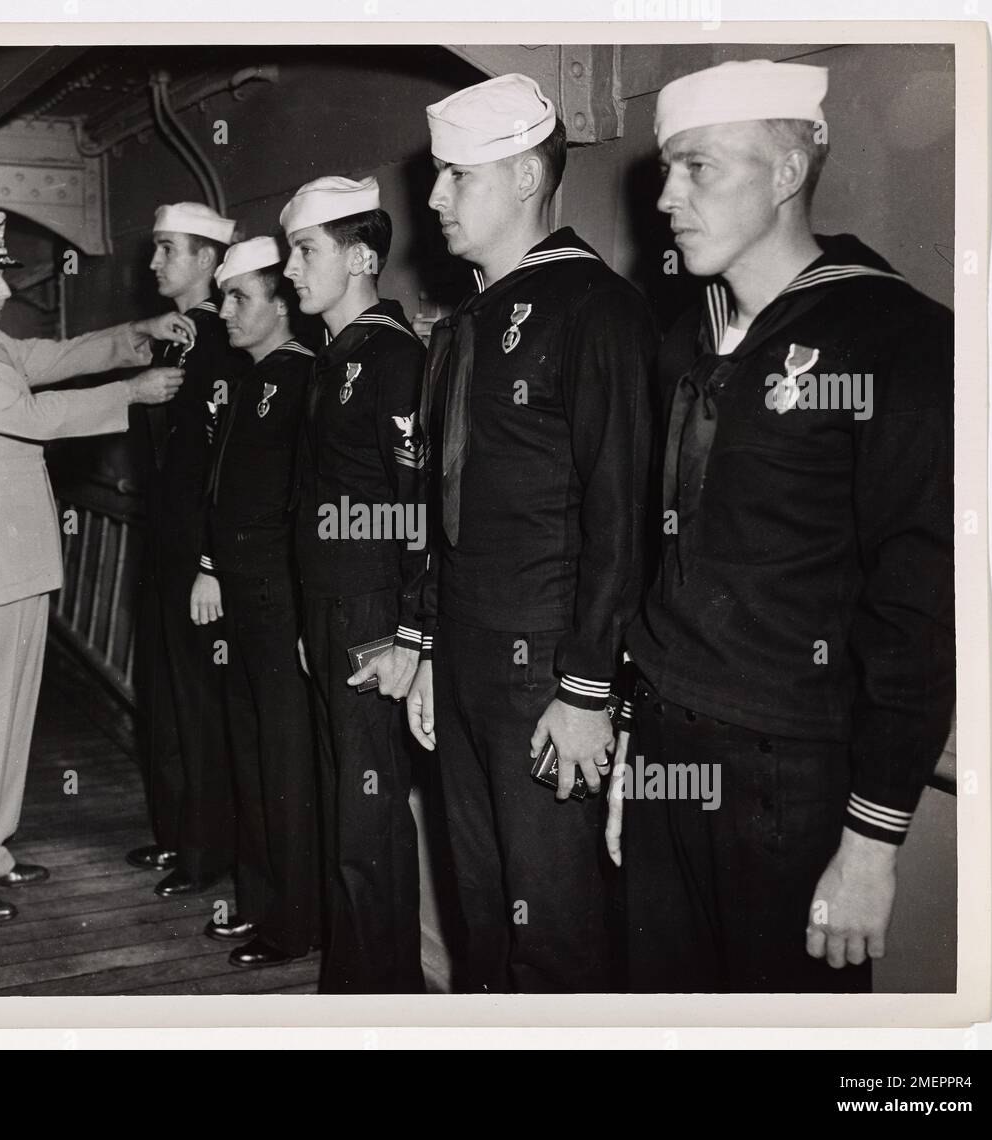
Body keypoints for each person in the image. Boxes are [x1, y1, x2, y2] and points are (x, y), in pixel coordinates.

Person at [620, 60, 955, 991]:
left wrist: (870, 842)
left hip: (792, 775)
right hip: (664, 743)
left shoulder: (896, 337)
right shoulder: (683, 339)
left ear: (785, 175)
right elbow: (661, 557)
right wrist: (632, 759)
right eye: (664, 169)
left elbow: (921, 606)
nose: (665, 197)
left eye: (698, 168)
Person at [406, 74, 657, 993]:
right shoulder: (467, 322)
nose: (432, 199)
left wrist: (588, 690)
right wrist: (432, 648)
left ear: (521, 177)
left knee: (553, 931)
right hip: (469, 663)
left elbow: (621, 517)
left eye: (454, 177)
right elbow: (447, 507)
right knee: (484, 917)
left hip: (547, 679)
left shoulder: (598, 310)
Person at [0, 211, 193, 923]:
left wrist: (134, 339)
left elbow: (48, 359)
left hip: (14, 565)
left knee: (8, 720)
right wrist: (133, 389)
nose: (3, 292)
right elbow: (31, 415)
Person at [282, 175, 429, 992]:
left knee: (368, 813)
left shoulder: (393, 357)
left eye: (307, 252)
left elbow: (416, 510)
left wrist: (406, 631)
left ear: (362, 257)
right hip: (332, 606)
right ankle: (353, 984)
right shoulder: (337, 356)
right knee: (347, 804)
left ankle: (383, 1000)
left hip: (371, 610)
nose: (293, 271)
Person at [189, 236, 321, 968]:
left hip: (279, 598)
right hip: (241, 593)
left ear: (280, 303)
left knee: (285, 763)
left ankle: (295, 923)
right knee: (251, 754)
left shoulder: (304, 378)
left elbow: (303, 504)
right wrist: (211, 564)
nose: (226, 310)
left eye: (240, 297)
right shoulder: (249, 378)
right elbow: (227, 489)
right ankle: (261, 903)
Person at [127, 202, 251, 898]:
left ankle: (206, 852)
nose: (153, 265)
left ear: (206, 259)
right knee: (166, 692)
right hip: (164, 541)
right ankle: (177, 835)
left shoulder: (216, 339)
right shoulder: (176, 338)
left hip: (197, 550)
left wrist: (210, 560)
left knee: (198, 699)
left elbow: (219, 463)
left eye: (167, 249)